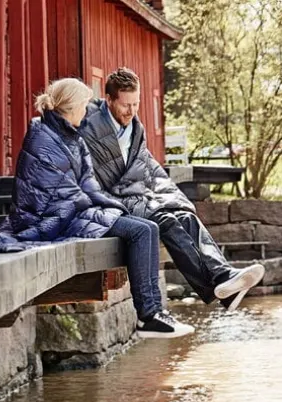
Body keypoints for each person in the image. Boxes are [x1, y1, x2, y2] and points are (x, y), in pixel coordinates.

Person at [0, 78, 194, 339]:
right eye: (84, 106)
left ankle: (154, 313)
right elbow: (57, 193)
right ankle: (148, 315)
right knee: (140, 232)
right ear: (72, 107)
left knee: (149, 227)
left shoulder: (73, 136)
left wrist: (114, 205)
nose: (87, 112)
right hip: (51, 217)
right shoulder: (41, 136)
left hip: (73, 210)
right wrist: (99, 207)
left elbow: (88, 184)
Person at [79, 67, 265, 311]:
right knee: (165, 221)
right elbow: (95, 178)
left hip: (139, 195)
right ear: (109, 99)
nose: (132, 111)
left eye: (136, 104)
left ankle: (223, 277)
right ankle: (220, 286)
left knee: (185, 216)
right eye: (126, 105)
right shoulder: (89, 126)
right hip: (113, 203)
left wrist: (175, 198)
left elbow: (149, 168)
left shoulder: (136, 127)